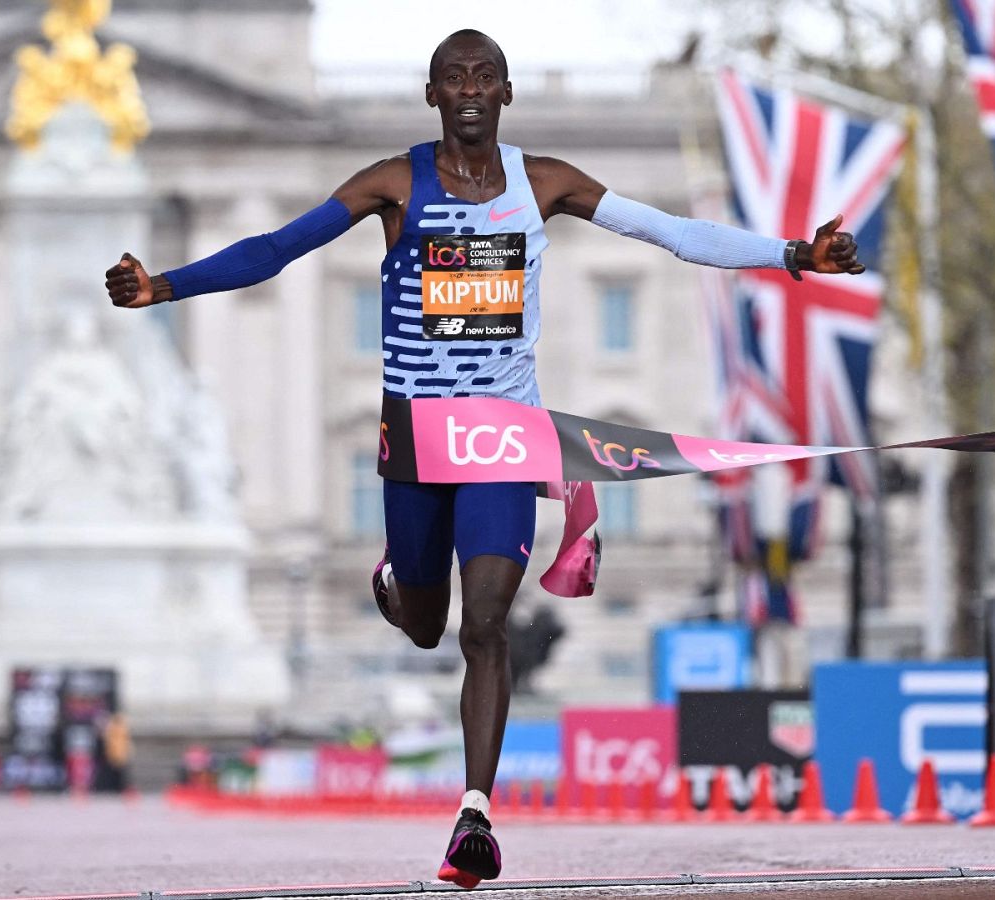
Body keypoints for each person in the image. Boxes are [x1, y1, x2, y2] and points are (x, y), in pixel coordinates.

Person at [105, 29, 866, 888]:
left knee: (486, 624)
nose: (470, 89)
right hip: (418, 435)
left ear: (506, 94)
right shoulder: (394, 184)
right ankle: (398, 581)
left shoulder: (545, 184)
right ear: (432, 96)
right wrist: (165, 285)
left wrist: (794, 255)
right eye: (453, 78)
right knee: (428, 623)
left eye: (485, 77)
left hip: (502, 431)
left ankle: (475, 815)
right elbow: (275, 250)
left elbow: (672, 232)